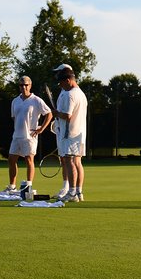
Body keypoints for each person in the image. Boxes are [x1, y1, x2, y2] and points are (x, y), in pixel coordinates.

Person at [5, 76, 52, 197]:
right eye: (21, 85)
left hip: (30, 136)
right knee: (11, 159)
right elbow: (14, 117)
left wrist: (41, 128)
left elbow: (49, 114)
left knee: (29, 160)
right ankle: (12, 186)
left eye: (26, 85)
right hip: (16, 136)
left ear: (30, 85)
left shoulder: (36, 100)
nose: (23, 87)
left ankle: (28, 185)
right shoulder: (15, 101)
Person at [51, 63, 88, 202]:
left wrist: (56, 113)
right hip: (79, 132)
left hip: (70, 133)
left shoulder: (70, 95)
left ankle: (72, 193)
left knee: (69, 160)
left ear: (68, 80)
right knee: (77, 162)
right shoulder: (81, 94)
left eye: (61, 82)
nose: (60, 85)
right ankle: (79, 192)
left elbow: (67, 115)